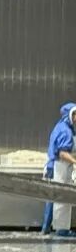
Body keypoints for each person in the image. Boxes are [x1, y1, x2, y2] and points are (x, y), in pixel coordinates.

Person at [45, 102, 76, 237]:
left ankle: (46, 228)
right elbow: (62, 153)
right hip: (60, 167)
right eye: (75, 114)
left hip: (58, 166)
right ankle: (62, 230)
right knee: (62, 197)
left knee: (53, 197)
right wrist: (75, 162)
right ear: (69, 115)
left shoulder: (63, 127)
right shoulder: (65, 131)